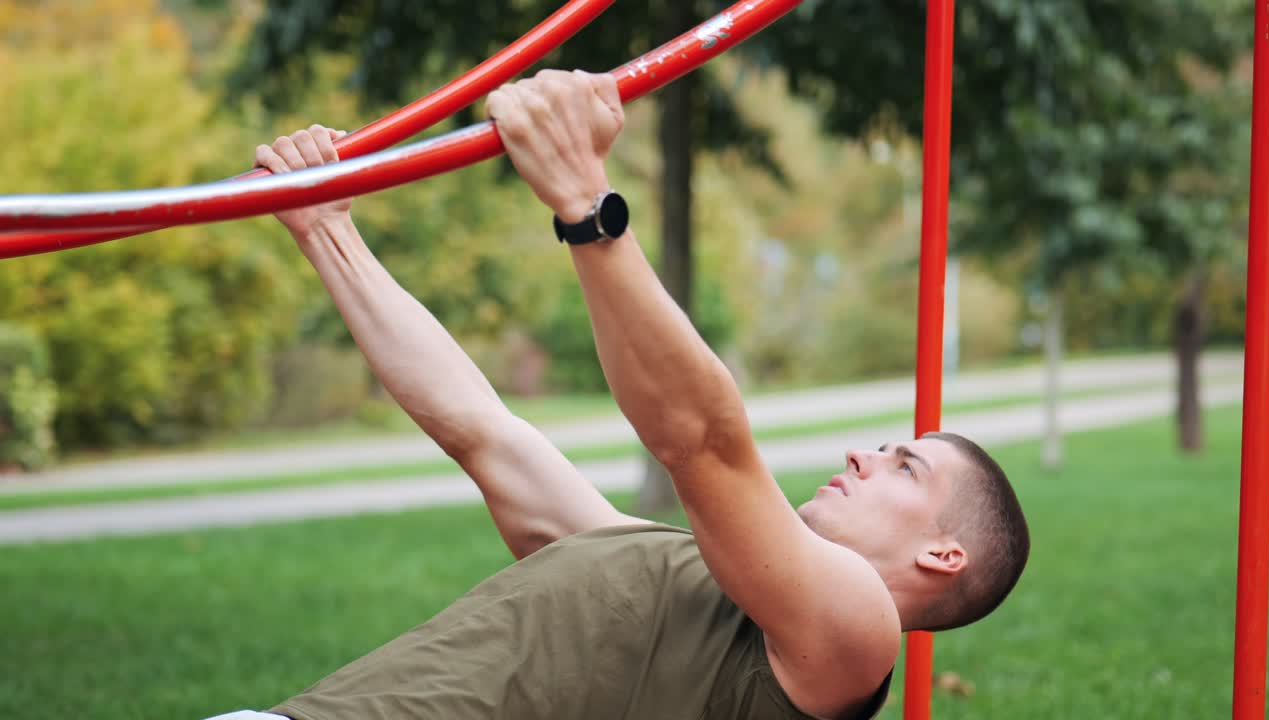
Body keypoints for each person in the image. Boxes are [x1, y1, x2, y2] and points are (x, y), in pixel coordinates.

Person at [214, 70, 1030, 720]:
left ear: (942, 555)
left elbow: (702, 442)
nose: (863, 452)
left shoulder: (859, 633)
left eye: (904, 466)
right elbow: (484, 433)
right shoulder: (673, 573)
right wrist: (328, 230)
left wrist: (586, 204)